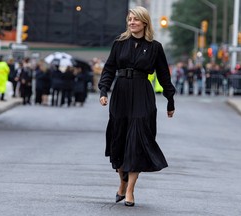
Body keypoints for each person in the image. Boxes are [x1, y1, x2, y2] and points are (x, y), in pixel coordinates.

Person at [98, 6, 175, 207]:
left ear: (144, 23)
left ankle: (130, 190)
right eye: (130, 19)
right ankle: (122, 182)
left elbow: (163, 75)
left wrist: (170, 99)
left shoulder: (155, 47)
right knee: (120, 139)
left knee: (137, 140)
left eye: (136, 19)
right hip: (121, 93)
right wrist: (103, 90)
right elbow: (109, 69)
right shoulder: (119, 43)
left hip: (143, 94)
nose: (132, 22)